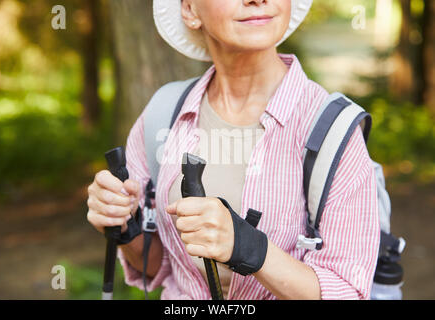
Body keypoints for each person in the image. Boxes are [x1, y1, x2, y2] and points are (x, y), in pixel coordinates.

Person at [86, 0, 380, 300]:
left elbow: (348, 292)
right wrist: (124, 225)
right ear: (189, 10)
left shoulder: (332, 131)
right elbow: (156, 267)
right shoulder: (164, 115)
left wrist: (249, 248)